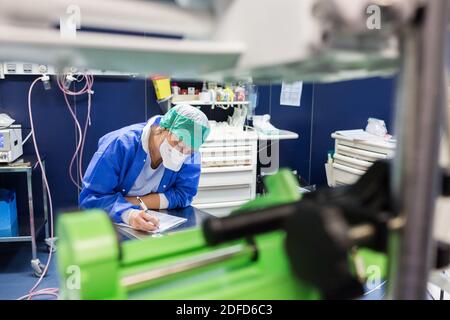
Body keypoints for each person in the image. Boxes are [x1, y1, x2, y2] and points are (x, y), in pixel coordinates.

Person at [79, 104, 210, 231]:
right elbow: (91, 199)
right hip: (111, 226)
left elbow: (184, 194)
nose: (182, 153)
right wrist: (127, 214)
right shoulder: (120, 145)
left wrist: (134, 202)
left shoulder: (190, 153)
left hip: (154, 223)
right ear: (163, 128)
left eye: (190, 150)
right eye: (178, 144)